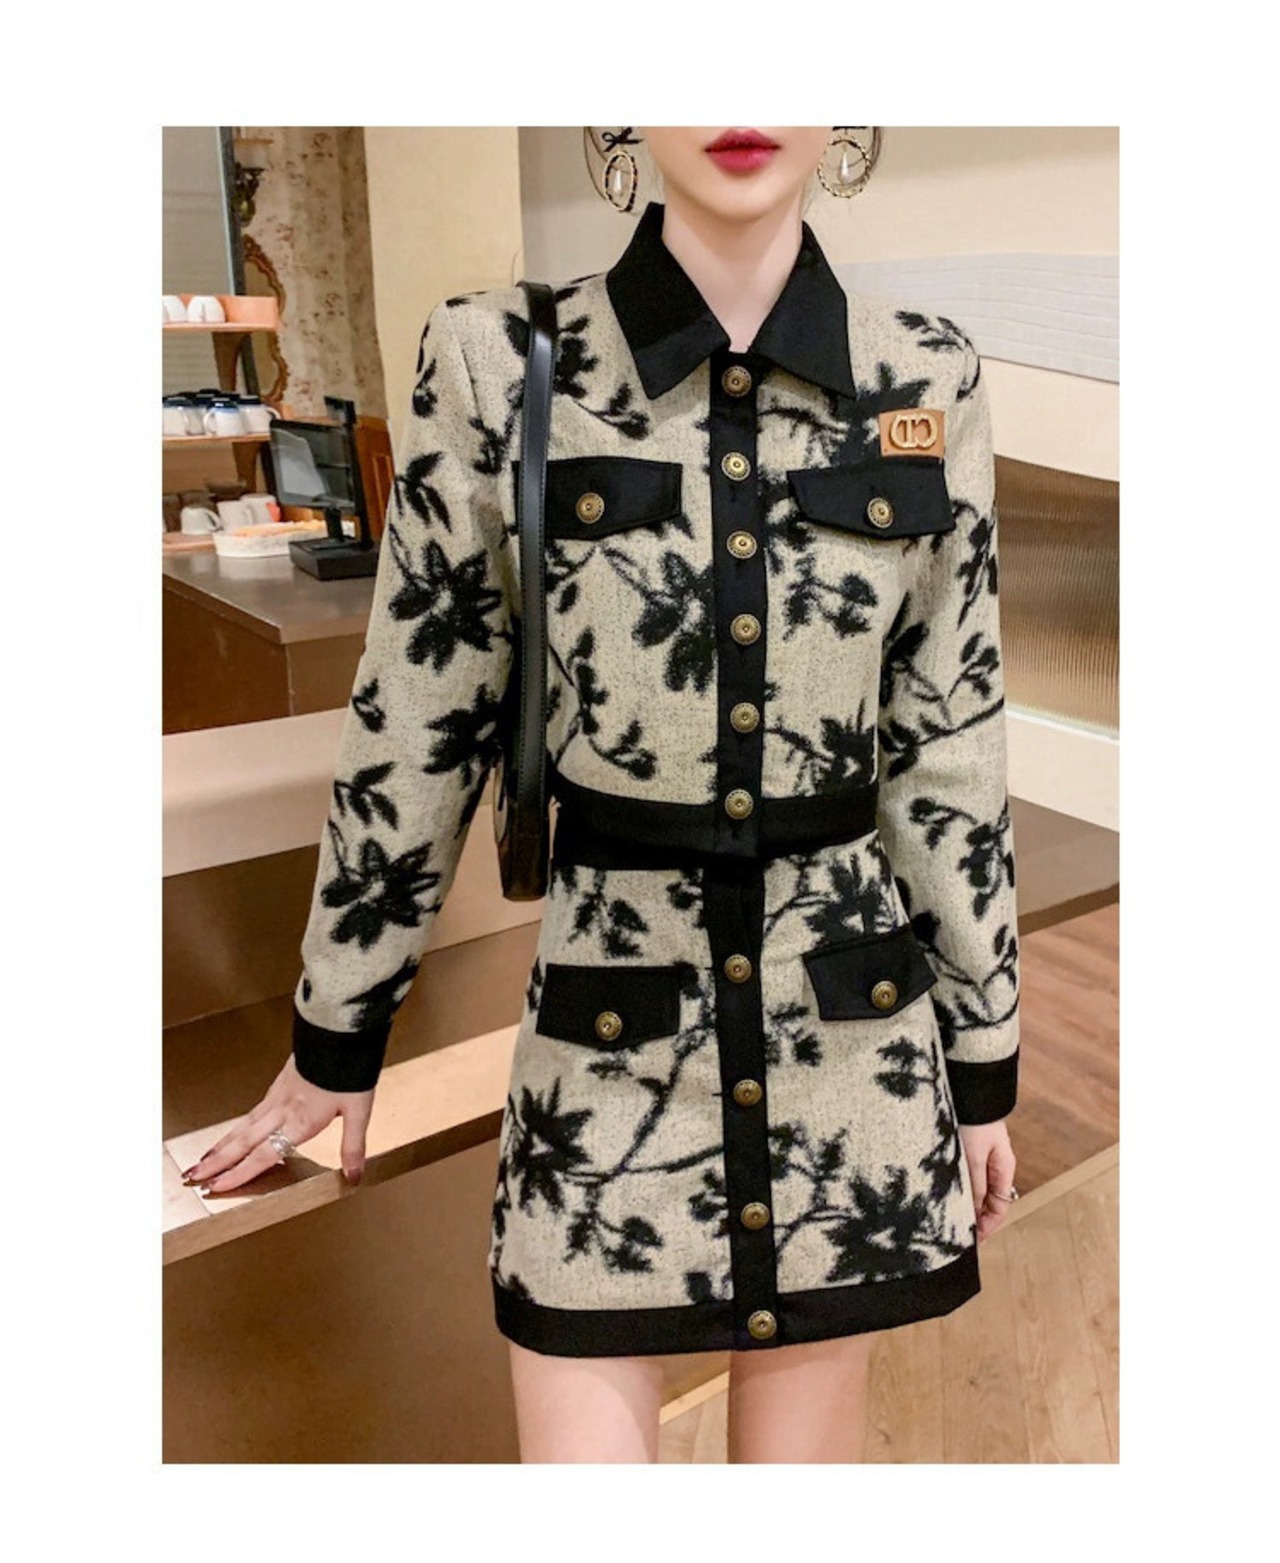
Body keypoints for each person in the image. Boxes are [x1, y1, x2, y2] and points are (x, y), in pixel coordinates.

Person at [180, 126, 1021, 1464]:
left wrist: (983, 1058)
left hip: (853, 1047)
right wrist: (338, 1030)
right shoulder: (500, 359)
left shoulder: (925, 371)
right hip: (604, 1046)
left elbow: (948, 742)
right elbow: (420, 716)